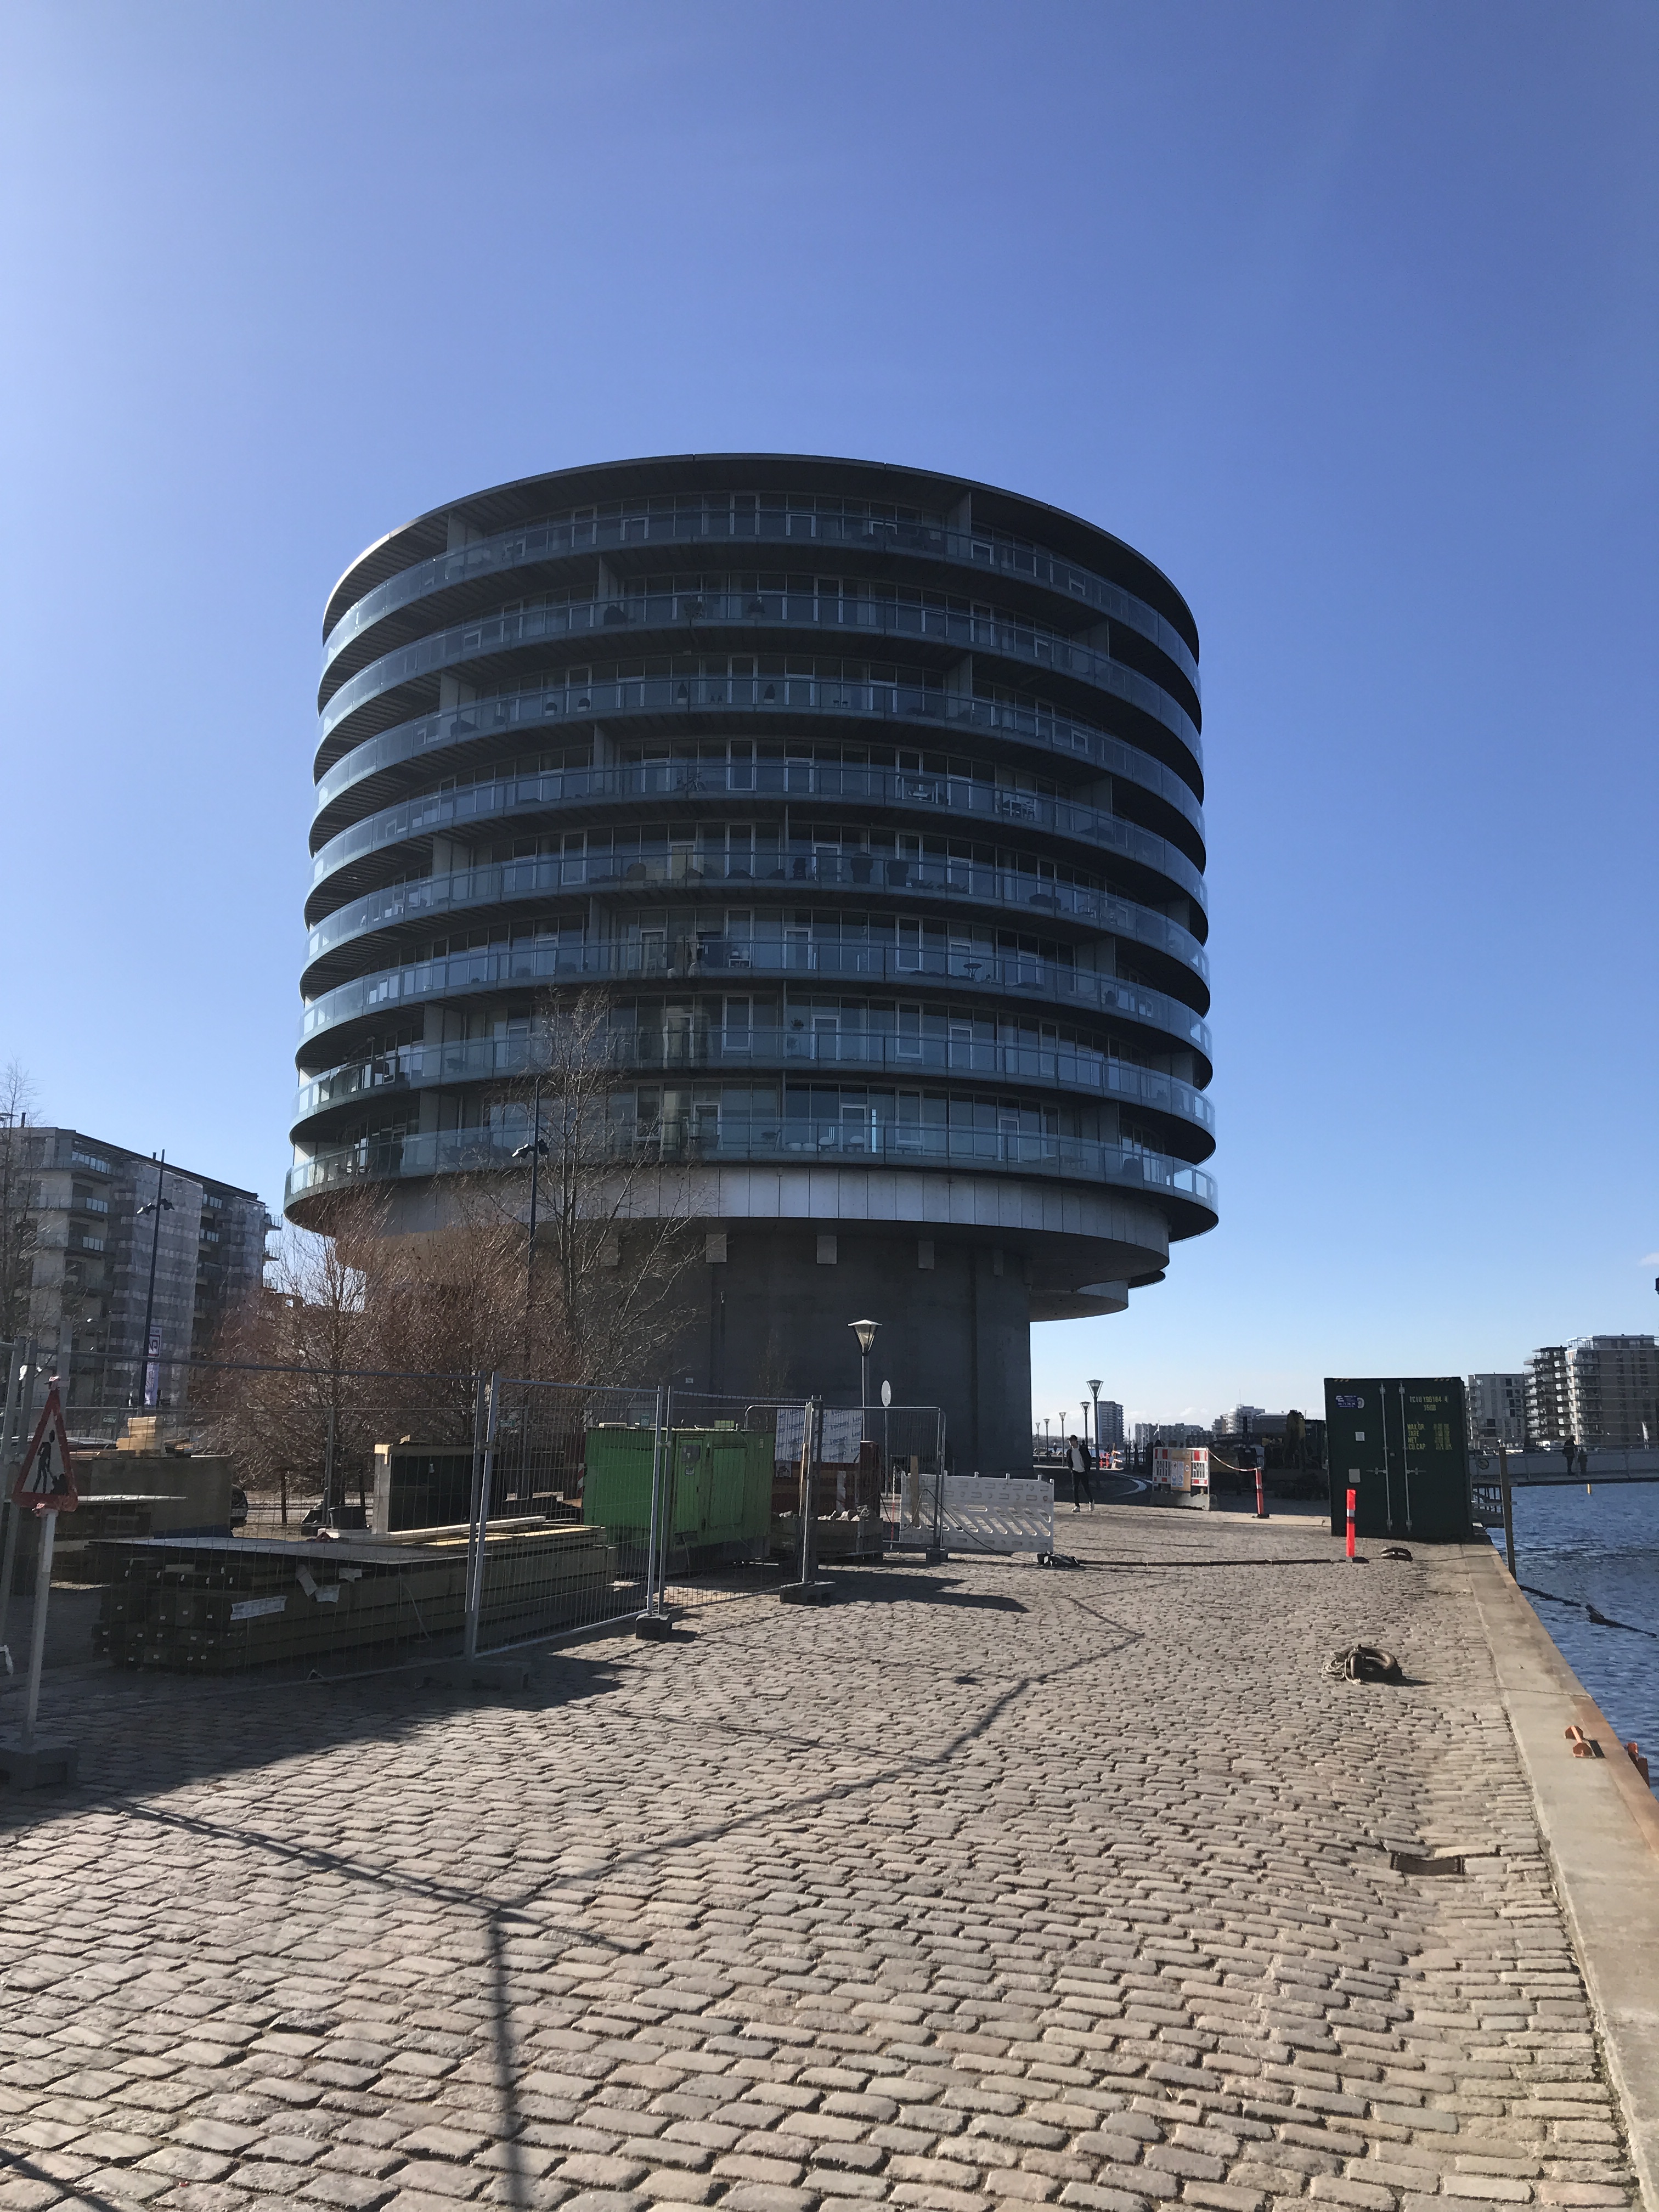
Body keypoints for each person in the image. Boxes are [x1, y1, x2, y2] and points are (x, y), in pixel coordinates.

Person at [1065, 1432, 1092, 1512]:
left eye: (1072, 1440)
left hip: (1083, 1471)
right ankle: (1077, 1506)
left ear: (1076, 1441)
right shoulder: (1069, 1451)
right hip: (1075, 1471)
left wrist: (1087, 1468)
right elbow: (1068, 1461)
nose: (1070, 1442)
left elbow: (1088, 1458)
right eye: (1070, 1441)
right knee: (1075, 1488)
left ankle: (1091, 1501)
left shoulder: (1082, 1449)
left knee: (1086, 1488)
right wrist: (1071, 1469)